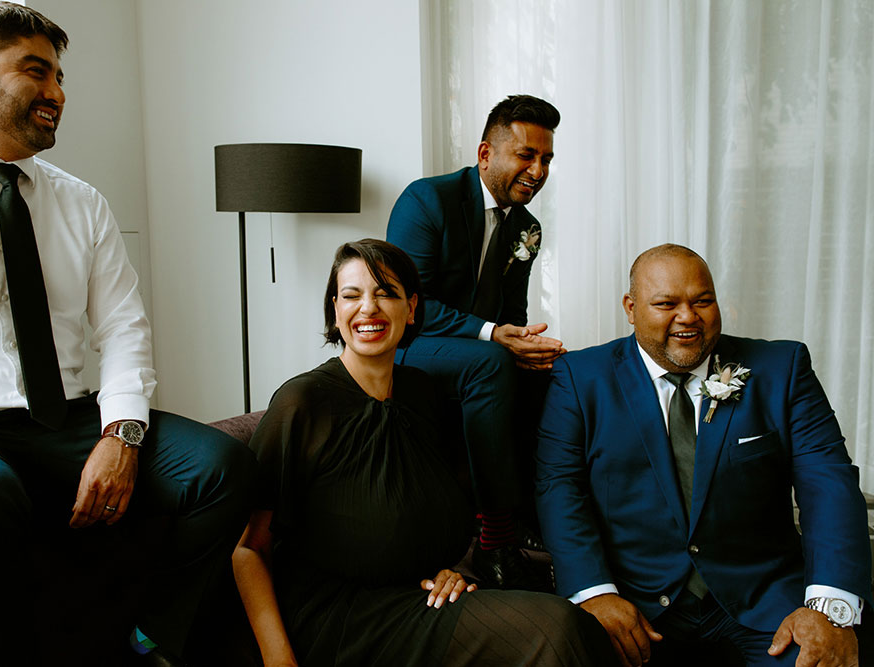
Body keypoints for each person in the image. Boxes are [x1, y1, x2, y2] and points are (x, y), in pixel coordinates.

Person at [0, 2, 255, 665]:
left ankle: (144, 638)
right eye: (35, 71)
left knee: (221, 468)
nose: (57, 93)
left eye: (59, 77)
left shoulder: (81, 201)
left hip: (65, 420)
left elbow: (124, 329)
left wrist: (121, 433)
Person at [233, 239, 616, 666]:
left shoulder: (422, 393)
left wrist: (451, 570)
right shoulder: (303, 402)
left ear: (411, 308)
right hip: (338, 617)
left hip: (418, 599)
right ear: (335, 309)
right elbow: (249, 549)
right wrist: (277, 658)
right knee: (555, 629)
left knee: (567, 626)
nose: (369, 309)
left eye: (386, 293)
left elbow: (430, 513)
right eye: (352, 295)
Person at [535, 243, 872, 666]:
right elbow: (558, 488)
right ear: (631, 307)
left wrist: (829, 610)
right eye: (665, 303)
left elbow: (830, 484)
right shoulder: (581, 378)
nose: (688, 317)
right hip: (635, 605)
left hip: (766, 601)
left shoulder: (781, 367)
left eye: (703, 301)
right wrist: (595, 593)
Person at [386, 94, 565, 590]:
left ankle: (547, 516)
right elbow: (406, 306)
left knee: (558, 371)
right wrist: (493, 336)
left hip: (475, 350)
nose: (538, 170)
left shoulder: (527, 228)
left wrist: (528, 343)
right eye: (526, 155)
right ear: (486, 154)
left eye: (546, 158)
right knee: (489, 363)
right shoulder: (426, 199)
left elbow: (512, 313)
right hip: (406, 346)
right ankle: (495, 540)